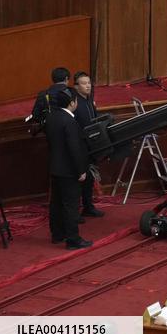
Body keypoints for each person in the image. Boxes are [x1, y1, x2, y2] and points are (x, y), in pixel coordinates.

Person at [46, 88, 91, 249]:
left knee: (56, 203)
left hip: (55, 167)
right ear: (72, 103)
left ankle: (57, 234)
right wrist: (80, 170)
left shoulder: (51, 117)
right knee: (71, 205)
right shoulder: (70, 122)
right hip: (69, 171)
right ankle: (73, 240)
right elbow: (74, 149)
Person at [72, 71, 104, 218]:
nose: (88, 86)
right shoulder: (75, 104)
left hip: (91, 145)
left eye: (89, 83)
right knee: (80, 179)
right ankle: (75, 211)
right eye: (84, 83)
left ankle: (88, 206)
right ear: (76, 86)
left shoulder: (89, 100)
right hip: (80, 147)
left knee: (89, 178)